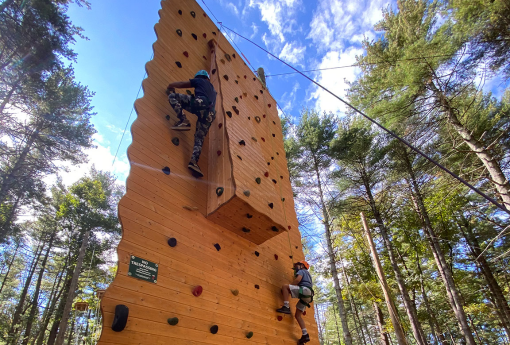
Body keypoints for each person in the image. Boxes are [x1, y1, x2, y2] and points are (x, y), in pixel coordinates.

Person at [166, 70, 217, 178]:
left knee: (172, 97)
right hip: (210, 114)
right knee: (199, 138)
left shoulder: (199, 80)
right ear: (207, 78)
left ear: (199, 77)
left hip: (201, 103)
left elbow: (181, 84)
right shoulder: (212, 89)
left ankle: (183, 120)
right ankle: (194, 161)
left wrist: (170, 85)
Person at [276, 260, 314, 344]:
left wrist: (290, 286)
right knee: (298, 315)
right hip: (309, 296)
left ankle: (286, 306)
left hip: (305, 291)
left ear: (303, 266)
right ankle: (305, 334)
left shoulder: (302, 271)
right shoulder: (308, 275)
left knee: (285, 287)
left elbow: (297, 280)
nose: (296, 267)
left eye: (298, 265)